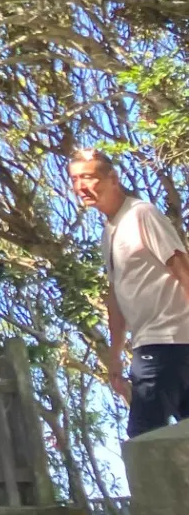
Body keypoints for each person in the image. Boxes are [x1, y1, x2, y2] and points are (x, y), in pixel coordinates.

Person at [69, 148, 189, 437]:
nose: (80, 187)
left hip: (166, 341)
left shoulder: (141, 214)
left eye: (88, 177)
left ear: (113, 178)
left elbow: (181, 267)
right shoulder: (109, 232)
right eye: (74, 179)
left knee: (144, 436)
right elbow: (116, 296)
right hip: (153, 344)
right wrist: (114, 355)